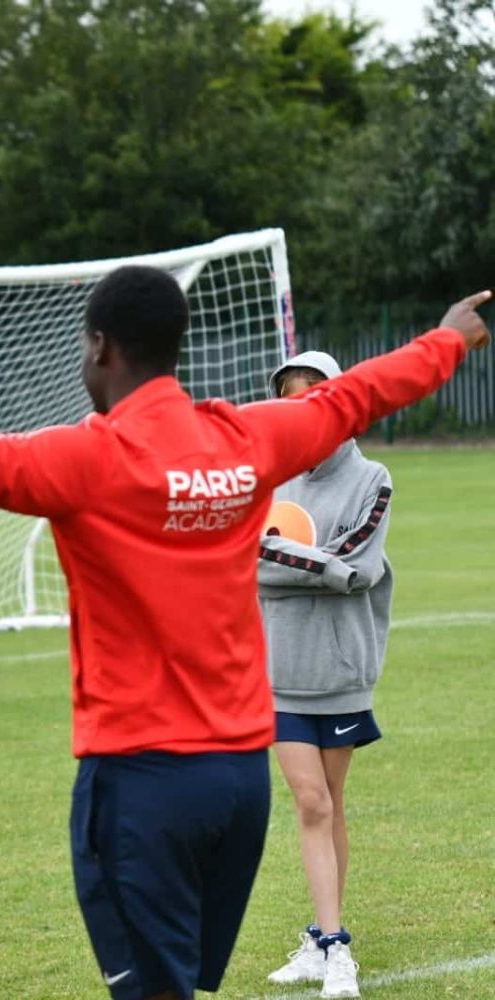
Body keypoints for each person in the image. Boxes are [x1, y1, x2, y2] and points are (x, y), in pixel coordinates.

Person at [0, 269, 490, 1000]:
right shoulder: (244, 439)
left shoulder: (89, 458)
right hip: (236, 780)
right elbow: (355, 396)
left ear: (100, 347)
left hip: (143, 779)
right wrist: (449, 340)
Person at [258, 351, 393, 1000]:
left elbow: (359, 569)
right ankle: (335, 949)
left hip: (339, 671)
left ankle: (321, 934)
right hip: (277, 672)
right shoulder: (271, 478)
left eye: (315, 394)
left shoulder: (373, 478)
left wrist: (281, 558)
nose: (303, 406)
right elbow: (245, 561)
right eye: (291, 397)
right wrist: (316, 565)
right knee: (310, 801)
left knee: (329, 805)